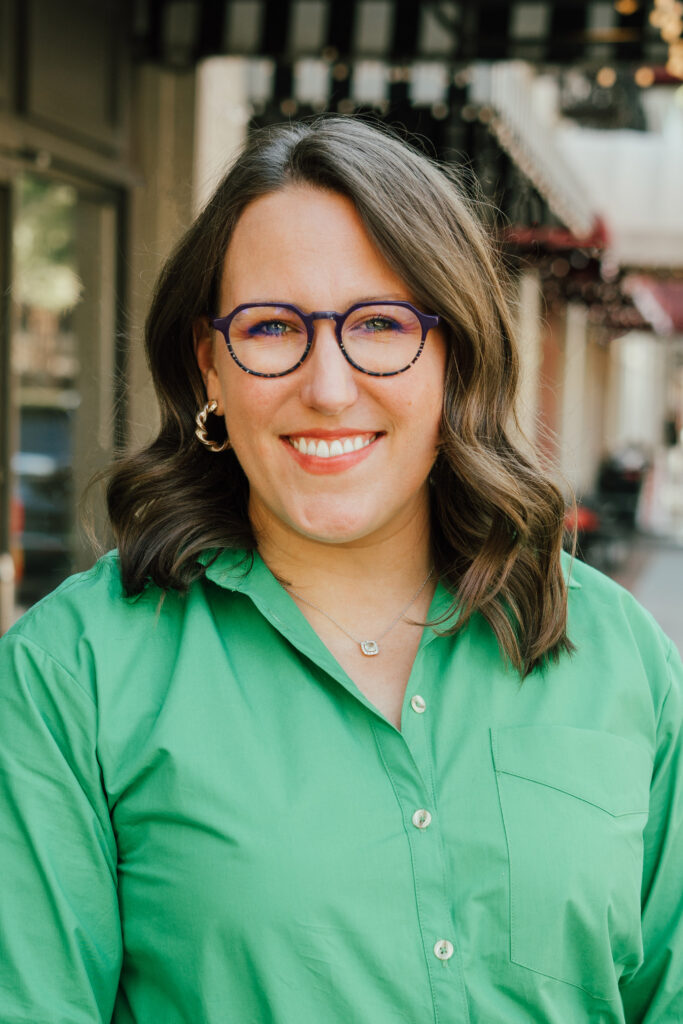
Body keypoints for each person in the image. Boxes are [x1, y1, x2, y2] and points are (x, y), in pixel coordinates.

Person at [0, 116, 681, 1024]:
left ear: (454, 359)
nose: (327, 385)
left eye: (381, 323)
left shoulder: (615, 651)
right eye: (274, 326)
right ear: (210, 364)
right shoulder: (70, 678)